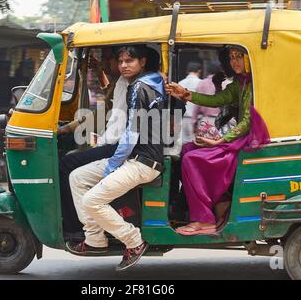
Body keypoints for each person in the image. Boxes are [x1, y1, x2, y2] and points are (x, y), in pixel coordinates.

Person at [66, 45, 165, 271]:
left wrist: (112, 165)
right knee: (77, 177)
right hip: (133, 157)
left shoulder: (139, 87)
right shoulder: (150, 83)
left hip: (143, 163)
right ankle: (95, 240)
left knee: (92, 200)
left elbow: (131, 133)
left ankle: (134, 241)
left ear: (142, 62)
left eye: (129, 61)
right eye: (121, 61)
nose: (123, 65)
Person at [165, 45, 270, 235]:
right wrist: (185, 94)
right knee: (187, 149)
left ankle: (204, 219)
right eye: (232, 57)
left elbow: (247, 121)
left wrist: (220, 141)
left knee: (192, 160)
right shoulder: (240, 83)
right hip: (237, 139)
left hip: (247, 142)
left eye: (239, 56)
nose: (234, 61)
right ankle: (211, 204)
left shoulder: (254, 84)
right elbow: (217, 100)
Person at [58, 48, 129, 236]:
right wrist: (70, 127)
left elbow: (105, 116)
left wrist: (69, 129)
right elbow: (104, 109)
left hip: (119, 147)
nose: (104, 65)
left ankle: (75, 227)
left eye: (108, 59)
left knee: (66, 165)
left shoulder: (125, 84)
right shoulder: (118, 83)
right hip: (117, 143)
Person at [178, 61, 202, 144]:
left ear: (187, 71)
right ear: (199, 71)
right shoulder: (201, 83)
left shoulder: (180, 83)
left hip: (183, 117)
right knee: (195, 142)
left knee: (183, 142)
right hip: (197, 119)